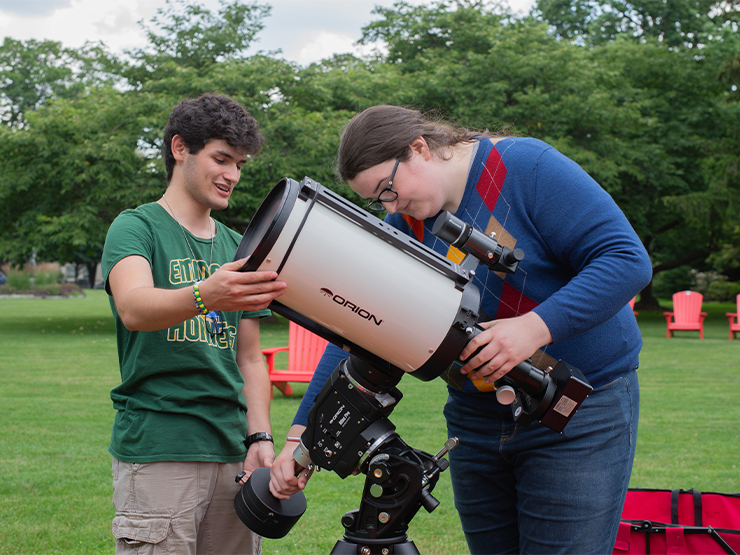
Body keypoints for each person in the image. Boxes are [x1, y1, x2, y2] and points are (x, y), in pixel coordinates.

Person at [269, 105, 653, 554]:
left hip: (577, 411)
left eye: (389, 189)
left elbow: (626, 260)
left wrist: (532, 329)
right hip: (476, 420)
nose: (391, 207)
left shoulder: (527, 168)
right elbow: (361, 333)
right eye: (379, 201)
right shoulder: (407, 224)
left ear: (419, 149)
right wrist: (301, 437)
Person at [102, 93, 287, 554]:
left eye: (240, 164)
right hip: (161, 446)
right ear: (180, 148)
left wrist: (260, 436)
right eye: (221, 159)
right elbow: (134, 306)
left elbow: (249, 358)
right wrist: (208, 294)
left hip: (233, 453)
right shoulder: (136, 227)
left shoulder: (238, 248)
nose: (232, 176)